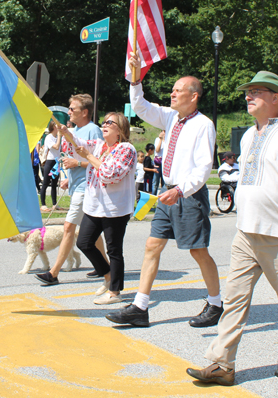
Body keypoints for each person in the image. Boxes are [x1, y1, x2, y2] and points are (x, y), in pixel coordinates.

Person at [186, 71, 278, 385]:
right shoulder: (247, 136)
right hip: (246, 231)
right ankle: (222, 363)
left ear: (276, 99)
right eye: (248, 92)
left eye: (257, 92)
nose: (248, 96)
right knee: (233, 298)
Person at [105, 53, 223, 328]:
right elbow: (141, 106)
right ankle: (140, 307)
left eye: (178, 91)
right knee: (152, 245)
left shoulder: (203, 125)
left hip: (188, 196)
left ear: (193, 96)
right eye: (172, 90)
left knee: (198, 251)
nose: (172, 94)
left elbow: (204, 168)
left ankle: (216, 304)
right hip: (166, 192)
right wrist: (136, 79)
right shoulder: (171, 118)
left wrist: (181, 190)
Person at [60, 112, 136, 304]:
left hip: (115, 209)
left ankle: (115, 292)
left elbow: (111, 174)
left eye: (109, 122)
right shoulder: (100, 145)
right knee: (84, 243)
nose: (104, 124)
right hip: (94, 206)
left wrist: (88, 157)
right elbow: (79, 144)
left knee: (114, 250)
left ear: (120, 129)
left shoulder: (126, 150)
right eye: (104, 121)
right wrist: (65, 133)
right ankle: (108, 275)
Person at [35, 94, 105, 285]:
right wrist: (70, 177)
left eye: (72, 109)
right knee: (91, 230)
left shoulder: (93, 131)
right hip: (77, 185)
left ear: (85, 112)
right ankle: (104, 266)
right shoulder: (75, 130)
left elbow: (101, 161)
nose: (69, 111)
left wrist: (78, 163)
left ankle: (53, 272)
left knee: (68, 227)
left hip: (88, 187)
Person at [40, 121, 61, 212]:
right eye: (57, 126)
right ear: (53, 127)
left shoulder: (57, 137)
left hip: (57, 162)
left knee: (54, 184)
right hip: (49, 161)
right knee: (45, 183)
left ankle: (54, 204)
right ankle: (43, 204)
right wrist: (60, 136)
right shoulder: (49, 137)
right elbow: (56, 147)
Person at [152, 130, 165, 195]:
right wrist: (160, 139)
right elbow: (157, 150)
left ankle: (162, 200)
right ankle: (152, 199)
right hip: (157, 163)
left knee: (164, 183)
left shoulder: (168, 139)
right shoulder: (157, 139)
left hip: (165, 164)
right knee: (155, 183)